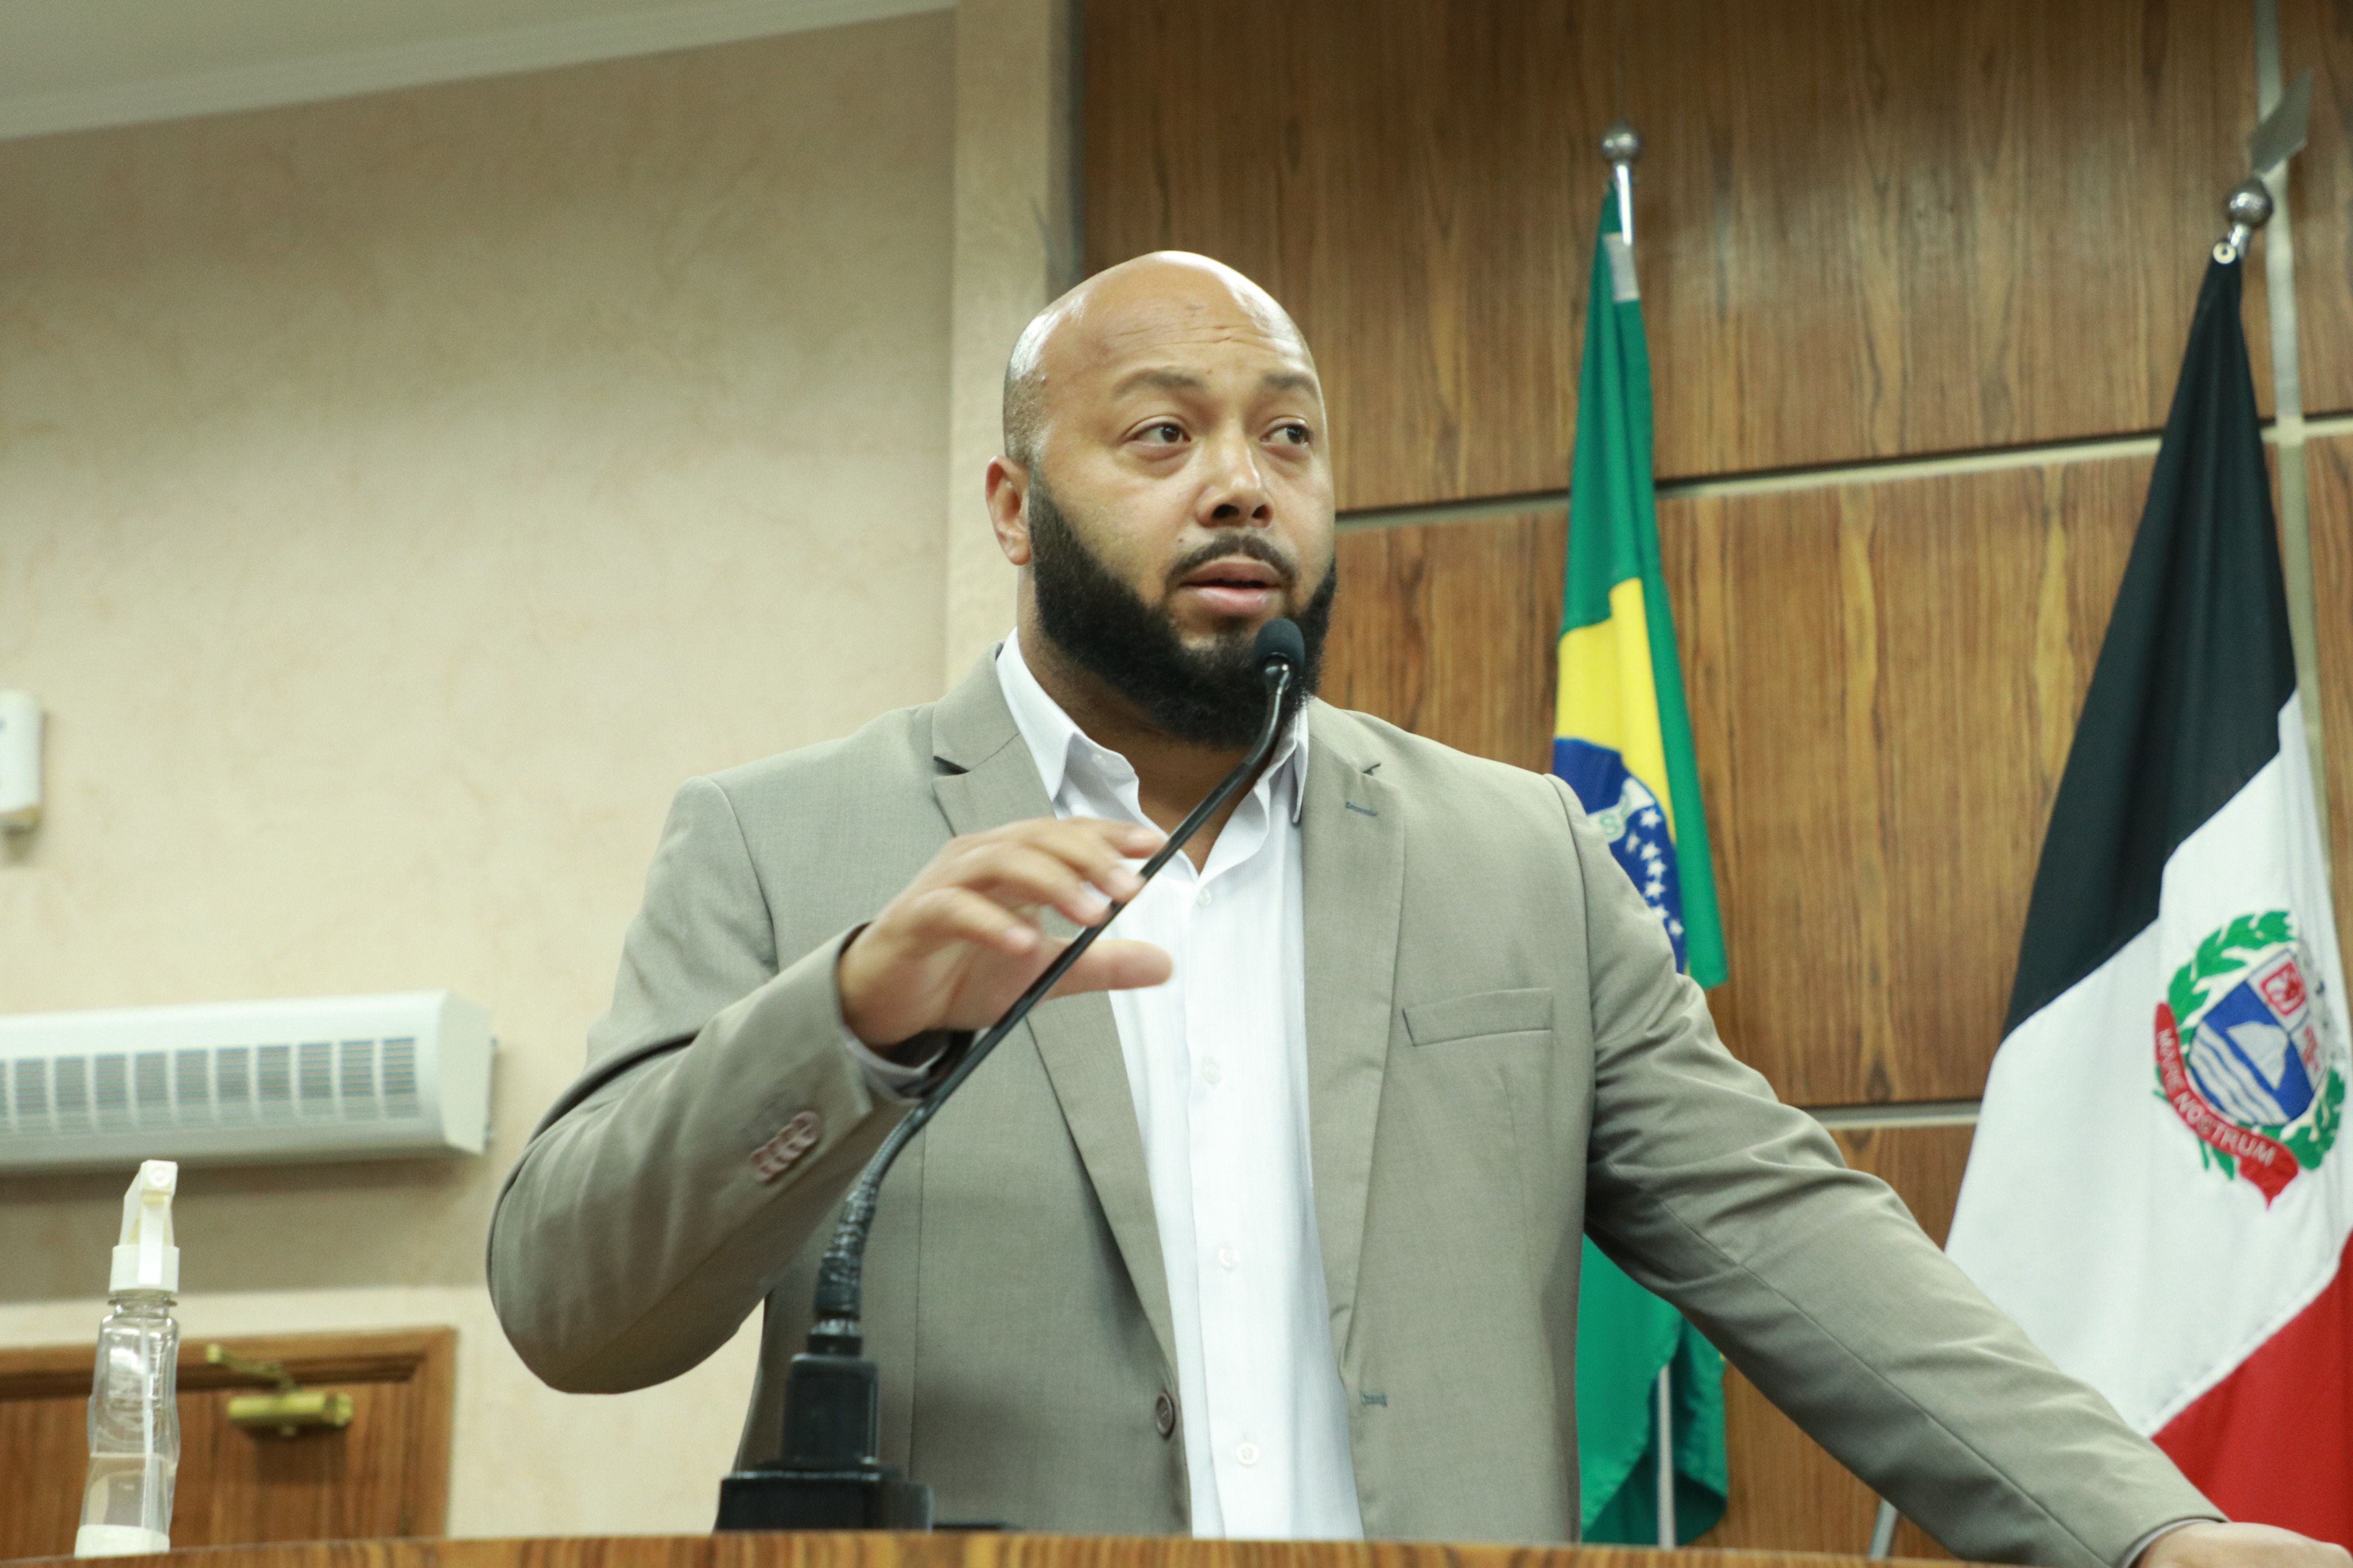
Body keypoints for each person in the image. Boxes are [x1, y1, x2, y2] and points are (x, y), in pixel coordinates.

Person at [487, 252, 2344, 1568]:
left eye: (1289, 439)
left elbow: (1801, 1245)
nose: (1242, 484)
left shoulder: (1515, 858)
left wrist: (2151, 1533)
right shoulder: (787, 842)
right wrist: (856, 1014)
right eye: (1160, 437)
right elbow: (574, 1303)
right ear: (1011, 503)